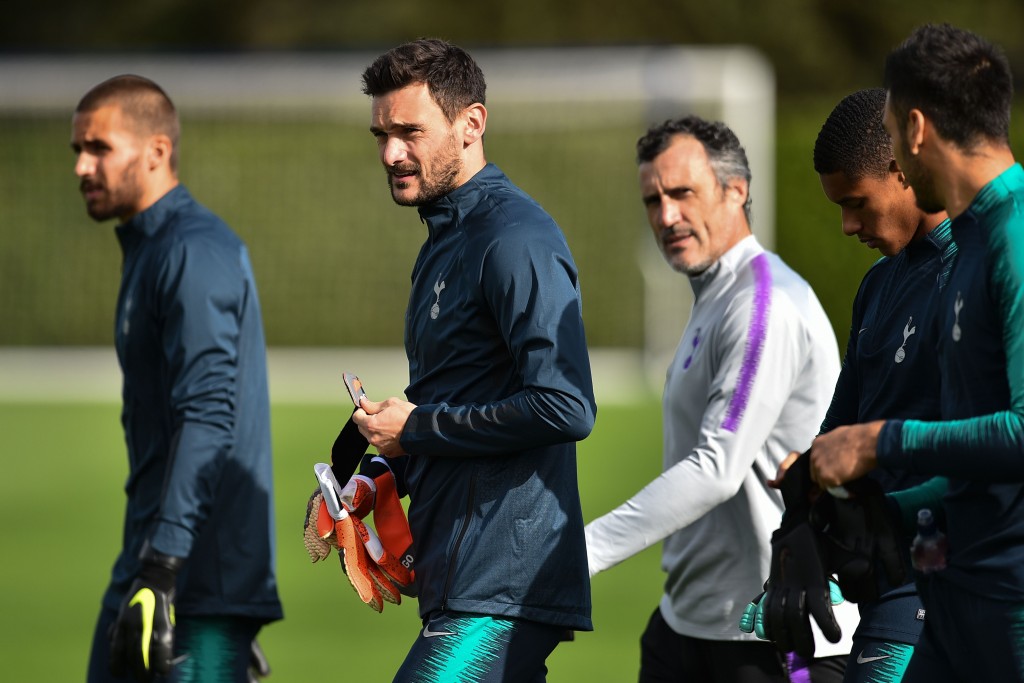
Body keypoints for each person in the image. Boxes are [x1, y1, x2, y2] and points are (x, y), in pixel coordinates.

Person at [349, 38, 597, 682]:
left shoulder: (515, 237)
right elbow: (458, 395)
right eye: (381, 135)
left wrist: (416, 429)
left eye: (410, 132)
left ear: (471, 124)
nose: (391, 153)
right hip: (459, 575)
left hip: (503, 584)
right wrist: (384, 468)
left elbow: (565, 405)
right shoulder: (443, 239)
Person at [583, 115, 858, 683]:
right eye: (653, 200)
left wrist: (579, 553)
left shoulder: (762, 303)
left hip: (771, 631)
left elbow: (717, 468)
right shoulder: (719, 295)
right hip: (686, 625)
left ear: (736, 191)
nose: (666, 216)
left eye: (683, 193)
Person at [808, 23, 1024, 682]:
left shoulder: (1014, 236)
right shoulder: (975, 238)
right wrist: (868, 515)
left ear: (916, 129)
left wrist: (882, 441)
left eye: (892, 133)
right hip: (953, 601)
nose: (896, 155)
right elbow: (971, 471)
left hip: (1007, 606)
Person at [73, 75, 282, 682]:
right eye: (78, 150)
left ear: (157, 151)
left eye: (99, 148)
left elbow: (209, 412)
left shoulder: (193, 250)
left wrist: (168, 570)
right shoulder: (150, 246)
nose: (82, 166)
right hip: (152, 567)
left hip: (187, 580)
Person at [809, 87, 953, 682]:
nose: (848, 226)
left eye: (856, 203)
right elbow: (837, 431)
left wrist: (889, 512)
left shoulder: (981, 275)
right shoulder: (877, 284)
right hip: (881, 587)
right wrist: (801, 527)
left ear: (900, 169)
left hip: (952, 586)